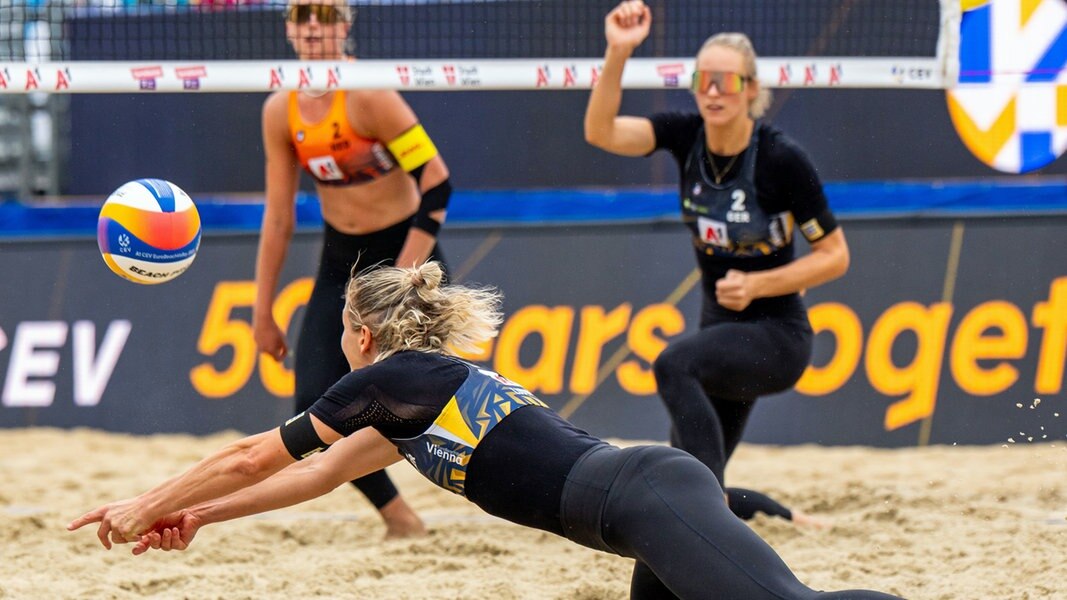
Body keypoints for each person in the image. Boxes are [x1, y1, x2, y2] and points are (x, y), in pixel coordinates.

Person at [70, 262, 899, 600]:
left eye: (339, 331)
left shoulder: (394, 380)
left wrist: (144, 504)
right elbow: (312, 477)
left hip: (645, 498)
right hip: (634, 511)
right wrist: (194, 518)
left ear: (360, 334)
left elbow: (253, 454)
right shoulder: (412, 401)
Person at [584, 0, 850, 525]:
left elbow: (835, 256)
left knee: (671, 364)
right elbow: (601, 132)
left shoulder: (781, 158)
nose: (712, 90)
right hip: (720, 332)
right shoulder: (685, 137)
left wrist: (760, 284)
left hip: (776, 336)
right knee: (686, 476)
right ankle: (788, 519)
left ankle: (717, 511)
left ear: (751, 89)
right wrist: (618, 51)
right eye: (704, 78)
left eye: (726, 81)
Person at [252, 0, 453, 538]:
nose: (314, 28)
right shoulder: (281, 111)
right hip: (342, 263)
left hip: (407, 257)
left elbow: (437, 184)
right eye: (302, 17)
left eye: (325, 17)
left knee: (434, 401)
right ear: (290, 29)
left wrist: (406, 276)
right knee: (313, 404)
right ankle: (400, 519)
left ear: (346, 25)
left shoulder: (368, 94)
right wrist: (262, 310)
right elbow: (278, 219)